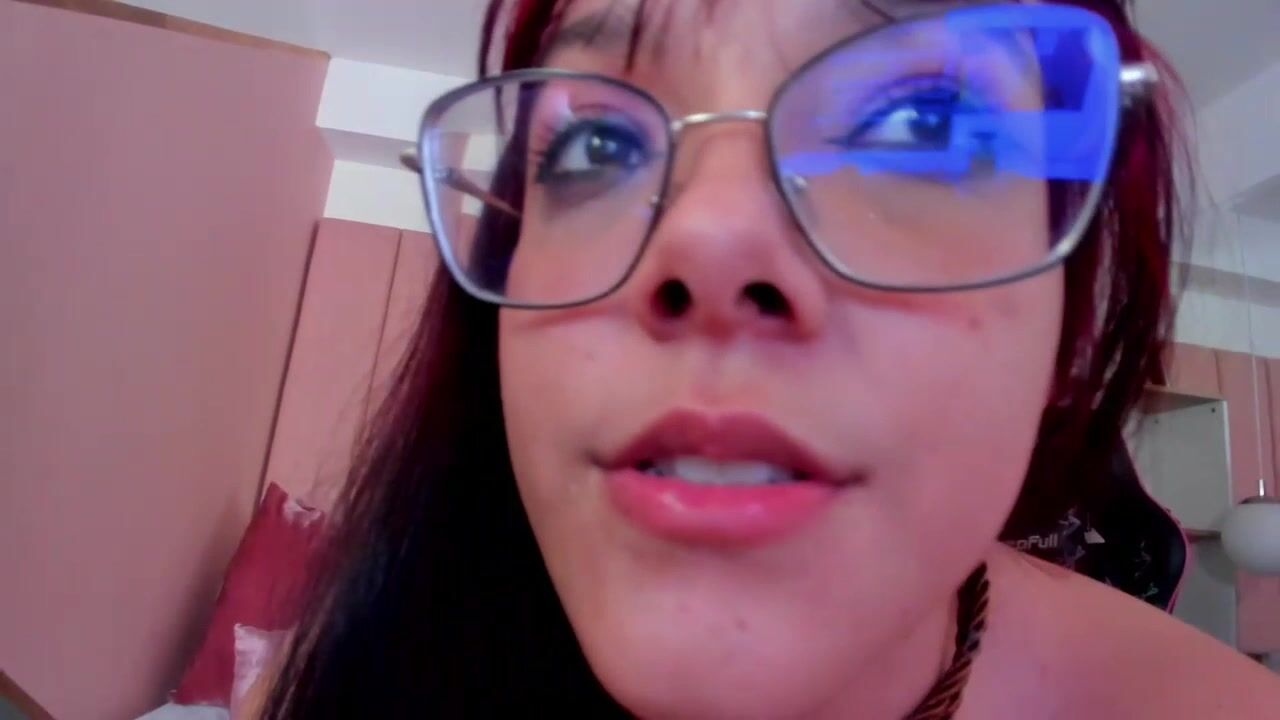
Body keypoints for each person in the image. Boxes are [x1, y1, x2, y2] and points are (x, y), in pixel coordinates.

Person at [250, 1, 1280, 717]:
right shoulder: (337, 680)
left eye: (919, 125)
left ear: (1071, 315)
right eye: (596, 145)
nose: (707, 237)